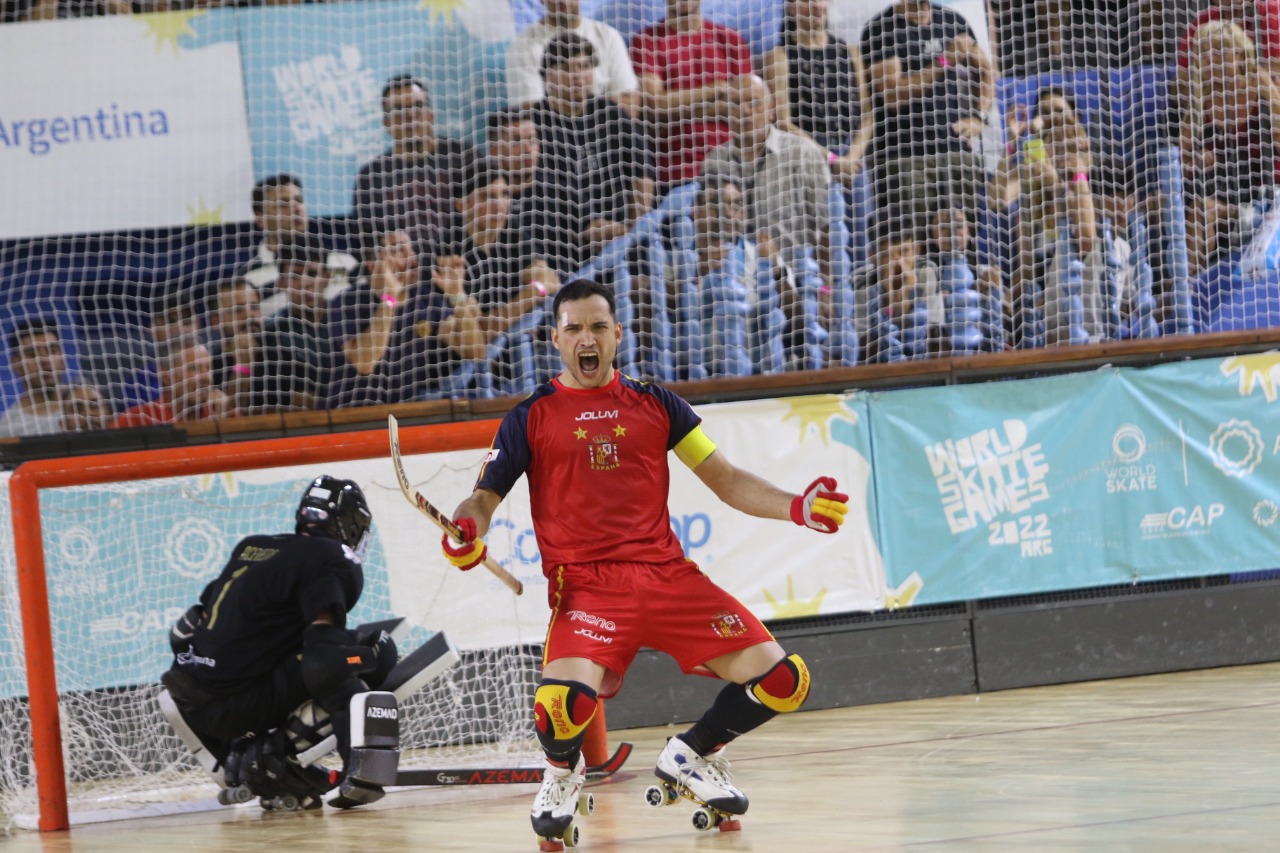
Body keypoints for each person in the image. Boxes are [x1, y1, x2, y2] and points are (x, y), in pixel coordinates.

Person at [440, 278, 849, 843]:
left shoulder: (658, 403)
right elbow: (483, 500)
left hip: (668, 578)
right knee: (558, 708)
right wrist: (465, 531)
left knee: (785, 681)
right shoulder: (529, 416)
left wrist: (796, 507)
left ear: (618, 334)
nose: (587, 339)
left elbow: (727, 480)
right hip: (587, 587)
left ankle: (692, 754)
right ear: (556, 339)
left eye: (598, 327)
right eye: (574, 329)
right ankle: (562, 773)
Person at [161, 476, 400, 810]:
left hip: (195, 701)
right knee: (343, 665)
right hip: (238, 705)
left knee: (314, 656)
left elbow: (187, 628)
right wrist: (372, 655)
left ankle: (257, 760)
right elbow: (323, 662)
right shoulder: (332, 556)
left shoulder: (253, 547)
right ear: (348, 524)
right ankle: (354, 774)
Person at [700, 75, 833, 368]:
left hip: (797, 283)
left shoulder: (802, 153)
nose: (746, 111)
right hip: (737, 285)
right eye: (737, 104)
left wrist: (826, 289)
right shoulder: (714, 163)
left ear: (771, 109)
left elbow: (826, 228)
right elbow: (706, 231)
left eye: (754, 103)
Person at [859, 0, 995, 241]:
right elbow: (893, 95)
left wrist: (979, 117)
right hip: (904, 157)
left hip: (955, 150)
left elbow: (986, 71)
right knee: (915, 241)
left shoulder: (952, 21)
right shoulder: (881, 28)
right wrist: (944, 60)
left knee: (965, 238)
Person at [527, 32, 657, 271]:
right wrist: (587, 225)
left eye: (584, 66)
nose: (577, 75)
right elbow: (544, 188)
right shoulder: (536, 124)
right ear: (546, 75)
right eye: (567, 68)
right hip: (564, 239)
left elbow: (642, 169)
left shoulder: (610, 113)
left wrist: (634, 225)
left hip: (622, 233)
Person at [989, 87, 1107, 343]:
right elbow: (997, 199)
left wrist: (1054, 181)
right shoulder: (1034, 161)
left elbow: (1087, 237)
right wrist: (1012, 142)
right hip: (1037, 275)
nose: (1052, 117)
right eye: (1044, 112)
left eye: (1058, 111)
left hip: (1079, 271)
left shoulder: (1088, 164)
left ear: (1075, 118)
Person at [1179, 20, 1280, 274]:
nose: (1209, 59)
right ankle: (1182, 284)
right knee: (1169, 202)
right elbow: (1181, 162)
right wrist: (1198, 159)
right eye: (1203, 53)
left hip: (1264, 198)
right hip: (1222, 194)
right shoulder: (1201, 102)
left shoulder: (1259, 86)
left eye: (1218, 50)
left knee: (1203, 209)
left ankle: (1187, 284)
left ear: (1241, 56)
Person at [350, 76, 478, 267]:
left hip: (464, 269)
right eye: (398, 110)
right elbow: (367, 246)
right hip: (402, 275)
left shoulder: (465, 159)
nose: (409, 116)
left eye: (417, 106)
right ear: (386, 122)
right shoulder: (370, 177)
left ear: (431, 114)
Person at [630, 0, 753, 189]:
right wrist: (716, 89)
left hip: (732, 168)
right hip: (676, 171)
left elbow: (747, 105)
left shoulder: (730, 39)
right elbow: (655, 105)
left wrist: (676, 106)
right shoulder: (646, 41)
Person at [764, 0, 874, 187]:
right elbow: (783, 122)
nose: (815, 6)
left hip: (852, 157)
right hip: (809, 155)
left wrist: (851, 157)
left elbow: (867, 114)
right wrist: (832, 159)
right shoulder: (780, 56)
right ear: (791, 7)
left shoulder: (850, 51)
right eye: (806, 1)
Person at [239, 175, 358, 320]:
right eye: (283, 204)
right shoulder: (247, 279)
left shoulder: (344, 262)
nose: (296, 208)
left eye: (299, 201)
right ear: (260, 219)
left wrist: (386, 298)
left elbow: (378, 298)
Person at [506, 0, 641, 116]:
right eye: (565, 68)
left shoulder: (608, 36)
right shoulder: (523, 46)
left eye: (584, 66)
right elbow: (530, 112)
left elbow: (630, 105)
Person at [0, 318, 108, 437]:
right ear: (16, 364)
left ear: (62, 357)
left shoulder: (92, 403)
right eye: (32, 354)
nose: (45, 360)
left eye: (52, 351)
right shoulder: (8, 427)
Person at [110, 340, 237, 427]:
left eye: (208, 368)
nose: (207, 378)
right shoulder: (134, 421)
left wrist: (220, 425)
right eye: (194, 368)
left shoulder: (226, 413)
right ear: (166, 377)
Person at [208, 278, 269, 415]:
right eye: (237, 310)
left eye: (254, 307)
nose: (250, 315)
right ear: (215, 321)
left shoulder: (282, 354)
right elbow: (230, 417)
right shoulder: (210, 369)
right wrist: (243, 364)